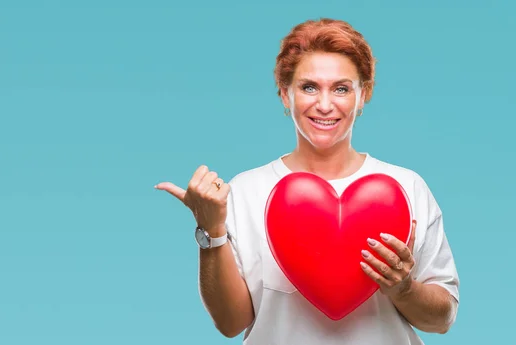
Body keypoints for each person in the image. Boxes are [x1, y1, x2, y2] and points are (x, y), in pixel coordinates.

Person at [155, 18, 459, 345]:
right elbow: (231, 324)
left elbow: (442, 319)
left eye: (341, 88)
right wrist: (211, 231)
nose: (324, 105)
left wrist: (404, 288)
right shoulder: (244, 192)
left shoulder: (406, 188)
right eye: (309, 87)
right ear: (285, 95)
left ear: (364, 94)